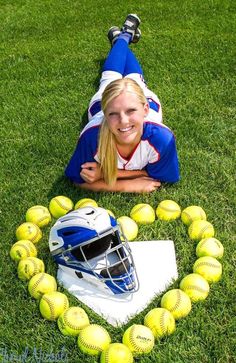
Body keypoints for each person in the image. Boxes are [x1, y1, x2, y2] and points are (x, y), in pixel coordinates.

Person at [65, 14, 179, 193]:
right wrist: (127, 185)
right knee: (110, 78)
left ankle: (123, 37)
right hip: (104, 100)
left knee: (134, 79)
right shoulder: (92, 137)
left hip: (144, 97)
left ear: (144, 110)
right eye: (113, 114)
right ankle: (124, 36)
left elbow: (163, 178)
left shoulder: (161, 138)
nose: (124, 121)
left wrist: (105, 173)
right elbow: (77, 179)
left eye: (131, 111)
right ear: (105, 114)